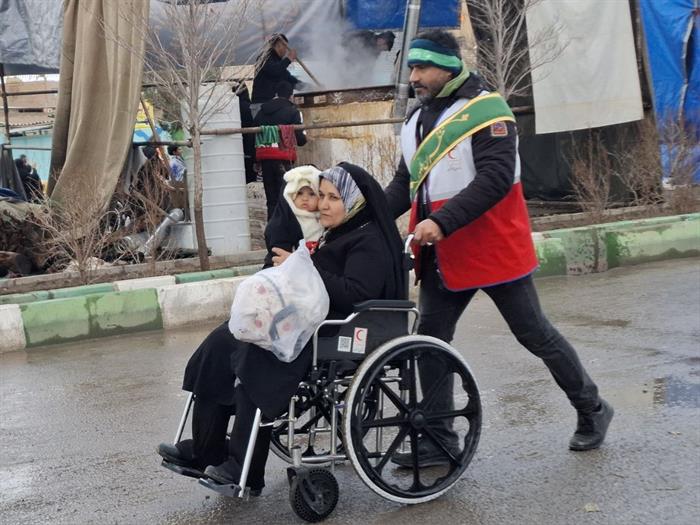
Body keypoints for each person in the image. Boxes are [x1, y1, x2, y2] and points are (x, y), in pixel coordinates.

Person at [384, 29, 613, 467]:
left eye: (422, 67)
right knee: (430, 343)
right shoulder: (414, 121)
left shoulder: (488, 111)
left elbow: (495, 179)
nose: (413, 76)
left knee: (535, 334)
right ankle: (439, 440)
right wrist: (359, 215)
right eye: (412, 67)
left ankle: (593, 408)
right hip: (442, 254)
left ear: (448, 67)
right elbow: (403, 185)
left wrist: (441, 221)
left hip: (492, 247)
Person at [157, 162, 406, 493]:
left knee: (257, 356)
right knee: (221, 343)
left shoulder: (367, 240)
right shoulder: (334, 233)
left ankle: (244, 468)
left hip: (338, 331)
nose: (323, 204)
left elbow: (355, 295)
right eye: (321, 196)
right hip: (307, 322)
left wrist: (302, 267)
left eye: (333, 198)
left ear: (355, 201)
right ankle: (207, 450)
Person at [254, 80, 308, 220]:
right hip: (284, 159)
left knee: (271, 199)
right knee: (286, 196)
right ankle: (286, 228)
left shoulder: (262, 111)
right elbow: (301, 140)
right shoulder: (292, 111)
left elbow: (254, 131)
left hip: (265, 159)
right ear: (291, 96)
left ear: (276, 94)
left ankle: (272, 228)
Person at [263, 165, 323, 267]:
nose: (305, 198)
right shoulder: (283, 221)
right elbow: (278, 254)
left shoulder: (324, 219)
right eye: (299, 193)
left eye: (312, 194)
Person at [251, 33, 300, 104]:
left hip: (270, 102)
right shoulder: (264, 57)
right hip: (261, 102)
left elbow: (289, 79)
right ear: (278, 45)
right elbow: (274, 71)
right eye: (285, 46)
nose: (286, 50)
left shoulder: (278, 61)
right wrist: (288, 59)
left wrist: (308, 87)